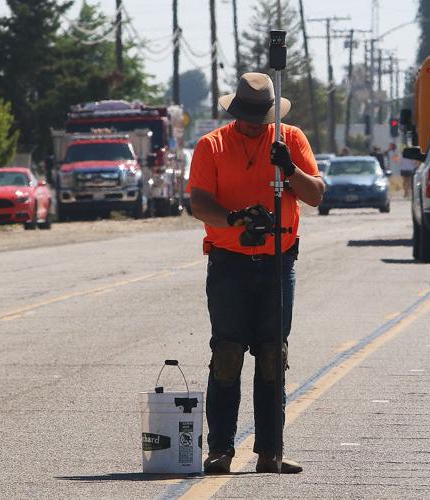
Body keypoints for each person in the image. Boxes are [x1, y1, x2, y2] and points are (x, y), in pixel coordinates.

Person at [187, 72, 325, 475]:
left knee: (271, 357)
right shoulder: (212, 145)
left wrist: (290, 169)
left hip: (278, 264)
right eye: (246, 116)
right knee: (227, 355)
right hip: (229, 264)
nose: (252, 124)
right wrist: (234, 218)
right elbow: (199, 203)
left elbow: (316, 195)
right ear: (235, 112)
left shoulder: (290, 139)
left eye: (258, 117)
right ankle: (220, 450)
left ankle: (270, 451)